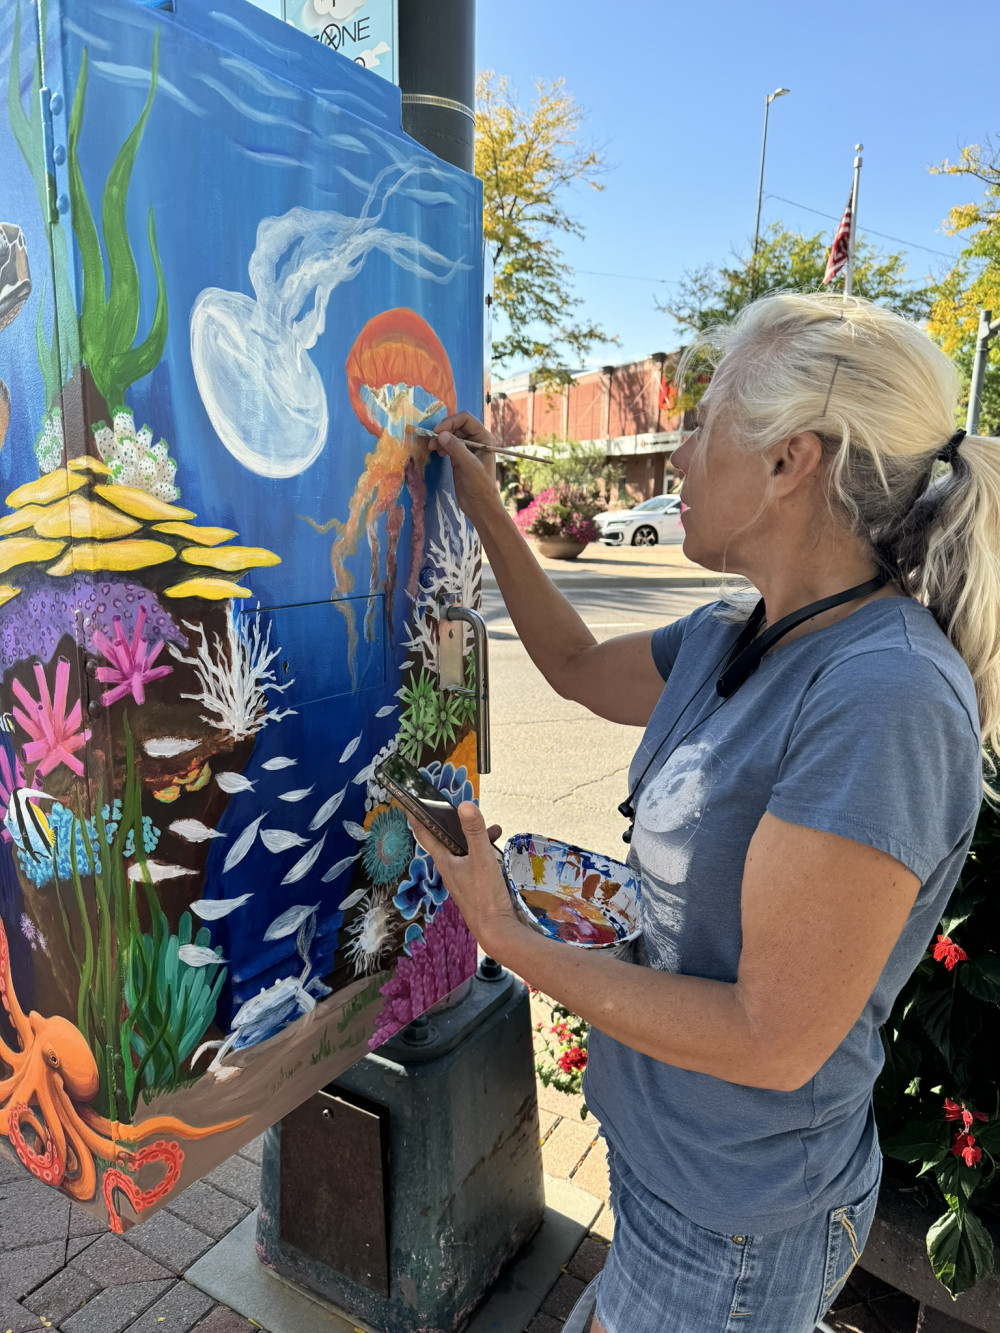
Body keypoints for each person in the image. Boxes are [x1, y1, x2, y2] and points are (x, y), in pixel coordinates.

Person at [411, 292, 998, 1333]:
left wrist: (502, 932)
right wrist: (486, 508)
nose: (677, 455)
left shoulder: (883, 694)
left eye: (703, 419)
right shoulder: (743, 630)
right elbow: (579, 665)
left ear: (789, 461)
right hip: (671, 1169)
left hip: (737, 1219)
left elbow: (773, 1040)